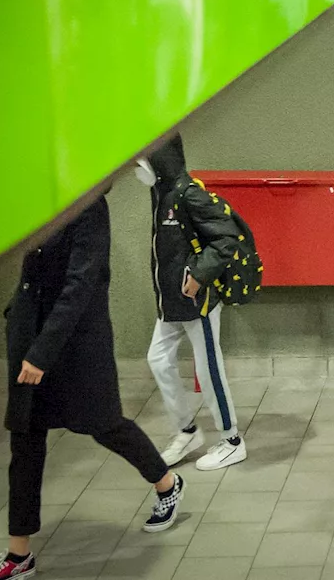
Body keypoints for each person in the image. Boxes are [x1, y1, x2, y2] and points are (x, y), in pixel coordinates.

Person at [0, 195, 184, 580]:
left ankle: (167, 482)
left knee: (104, 424)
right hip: (30, 334)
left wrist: (42, 353)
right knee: (24, 441)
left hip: (77, 343)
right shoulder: (39, 203)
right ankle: (18, 554)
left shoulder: (90, 209)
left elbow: (80, 285)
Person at [140, 135, 247, 472]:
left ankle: (232, 441)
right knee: (158, 360)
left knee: (208, 369)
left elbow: (225, 237)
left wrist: (199, 275)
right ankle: (187, 431)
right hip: (170, 303)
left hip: (197, 302)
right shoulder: (160, 195)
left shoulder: (189, 194)